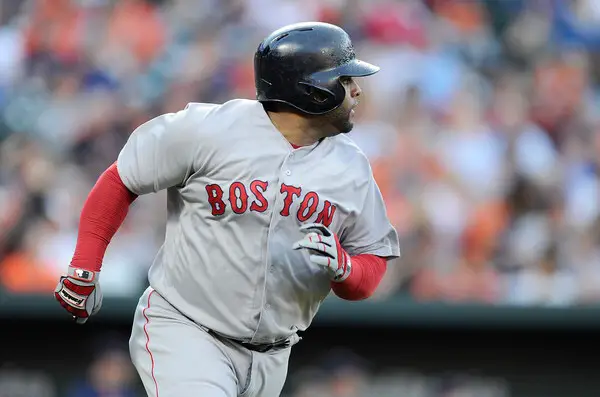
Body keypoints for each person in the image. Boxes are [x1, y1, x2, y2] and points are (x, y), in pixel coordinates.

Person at [54, 21, 400, 397]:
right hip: (186, 330)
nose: (357, 89)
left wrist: (345, 269)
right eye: (345, 79)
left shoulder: (353, 167)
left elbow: (372, 264)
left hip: (273, 355)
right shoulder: (209, 130)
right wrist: (85, 264)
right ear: (311, 89)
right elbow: (121, 179)